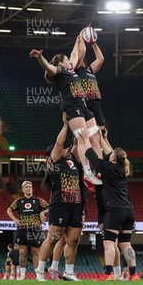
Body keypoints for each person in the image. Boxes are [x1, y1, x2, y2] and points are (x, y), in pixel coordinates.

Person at [29, 32, 102, 185]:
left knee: (95, 135)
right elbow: (49, 67)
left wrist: (79, 38)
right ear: (61, 63)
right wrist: (40, 58)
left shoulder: (70, 70)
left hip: (82, 105)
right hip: (72, 107)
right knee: (83, 138)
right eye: (67, 59)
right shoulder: (59, 72)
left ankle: (101, 168)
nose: (70, 60)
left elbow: (76, 53)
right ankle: (88, 172)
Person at [80, 128, 140, 281]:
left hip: (115, 210)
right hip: (128, 211)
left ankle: (108, 274)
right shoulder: (120, 169)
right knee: (126, 244)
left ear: (113, 158)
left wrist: (87, 138)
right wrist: (102, 138)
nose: (110, 153)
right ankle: (134, 274)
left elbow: (90, 154)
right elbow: (111, 153)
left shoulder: (107, 168)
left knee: (108, 242)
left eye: (112, 154)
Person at [34, 115, 86, 282]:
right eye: (62, 149)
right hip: (60, 204)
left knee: (73, 240)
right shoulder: (53, 162)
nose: (65, 150)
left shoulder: (72, 161)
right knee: (54, 238)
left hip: (76, 204)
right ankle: (40, 270)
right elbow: (59, 144)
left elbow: (77, 145)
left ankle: (69, 272)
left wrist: (79, 127)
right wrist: (65, 125)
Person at [7, 181, 49, 280]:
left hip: (35, 228)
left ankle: (38, 275)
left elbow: (50, 207)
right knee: (22, 252)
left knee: (36, 252)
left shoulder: (38, 200)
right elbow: (9, 210)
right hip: (23, 229)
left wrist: (43, 212)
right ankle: (22, 275)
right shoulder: (19, 201)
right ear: (23, 189)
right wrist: (15, 220)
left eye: (30, 186)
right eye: (26, 187)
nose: (29, 188)